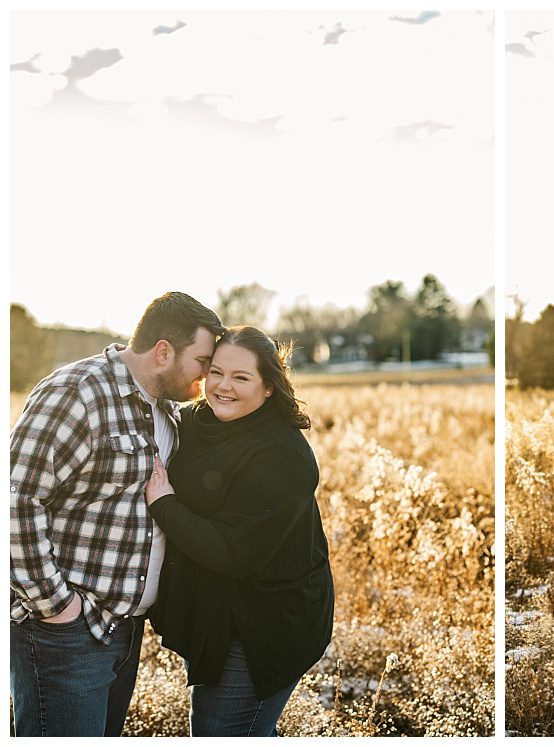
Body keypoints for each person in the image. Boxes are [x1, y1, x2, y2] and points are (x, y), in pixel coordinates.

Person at [10, 291, 225, 737]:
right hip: (65, 635)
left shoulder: (165, 409)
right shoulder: (77, 392)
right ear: (164, 352)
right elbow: (16, 499)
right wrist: (57, 606)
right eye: (203, 363)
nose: (207, 378)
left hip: (123, 632)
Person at [143, 325, 335, 737]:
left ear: (268, 387)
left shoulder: (282, 455)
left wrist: (163, 504)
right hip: (217, 613)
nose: (222, 387)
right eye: (215, 371)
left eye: (241, 377)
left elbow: (232, 552)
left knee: (222, 733)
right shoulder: (196, 422)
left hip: (262, 628)